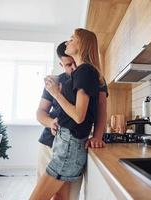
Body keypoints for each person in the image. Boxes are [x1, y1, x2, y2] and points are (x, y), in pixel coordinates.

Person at [31, 28, 106, 200]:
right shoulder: (65, 78)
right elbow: (40, 111)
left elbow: (83, 114)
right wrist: (51, 122)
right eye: (67, 64)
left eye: (72, 39)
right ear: (61, 64)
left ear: (82, 47)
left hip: (69, 144)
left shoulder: (86, 72)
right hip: (56, 143)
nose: (68, 42)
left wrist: (98, 135)